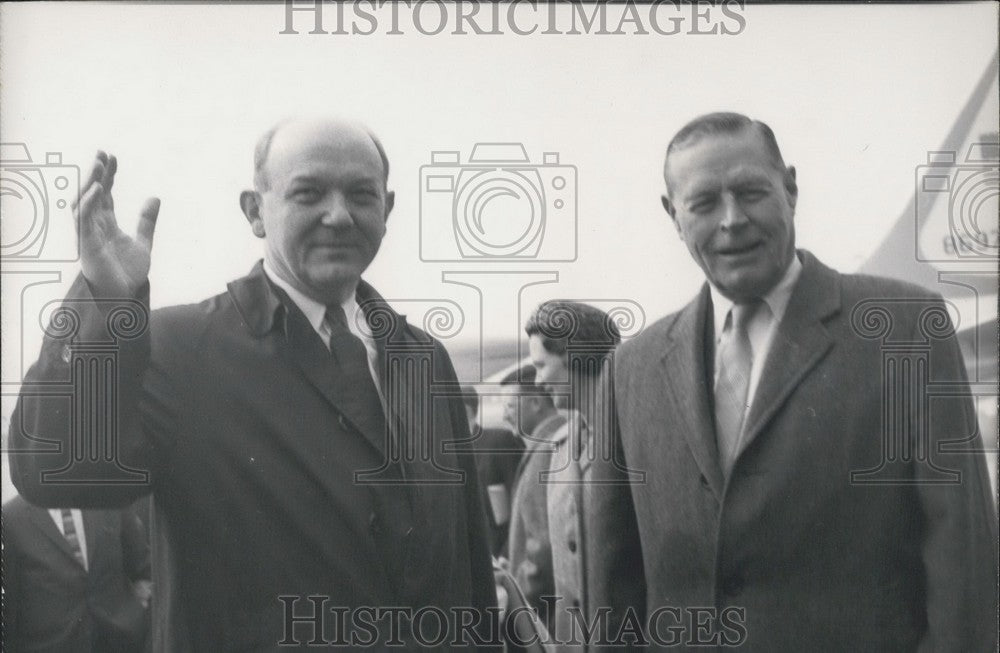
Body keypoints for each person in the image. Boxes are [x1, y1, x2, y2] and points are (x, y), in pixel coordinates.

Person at [8, 118, 496, 650]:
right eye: (308, 193)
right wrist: (104, 304)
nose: (339, 215)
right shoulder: (180, 347)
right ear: (255, 211)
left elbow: (469, 560)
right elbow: (51, 471)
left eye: (362, 194)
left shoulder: (424, 357)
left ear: (388, 209)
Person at [598, 112, 998, 650]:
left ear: (790, 187)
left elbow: (962, 557)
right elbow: (614, 586)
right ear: (673, 215)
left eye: (751, 191)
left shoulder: (906, 328)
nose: (732, 219)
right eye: (704, 203)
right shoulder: (631, 370)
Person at [525, 301, 643, 651]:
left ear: (574, 357)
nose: (538, 380)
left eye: (541, 366)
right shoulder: (561, 448)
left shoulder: (642, 441)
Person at [2, 495, 152, 653]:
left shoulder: (107, 498)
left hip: (122, 644)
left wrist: (138, 611)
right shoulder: (10, 519)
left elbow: (144, 567)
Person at [502, 366, 566, 633]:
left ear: (536, 403)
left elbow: (542, 547)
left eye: (511, 407)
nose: (506, 415)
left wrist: (516, 593)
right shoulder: (557, 440)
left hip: (542, 618)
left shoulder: (546, 449)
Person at [462, 384, 526, 557]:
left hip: (500, 555)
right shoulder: (444, 454)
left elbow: (520, 503)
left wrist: (507, 554)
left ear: (466, 410)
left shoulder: (498, 442)